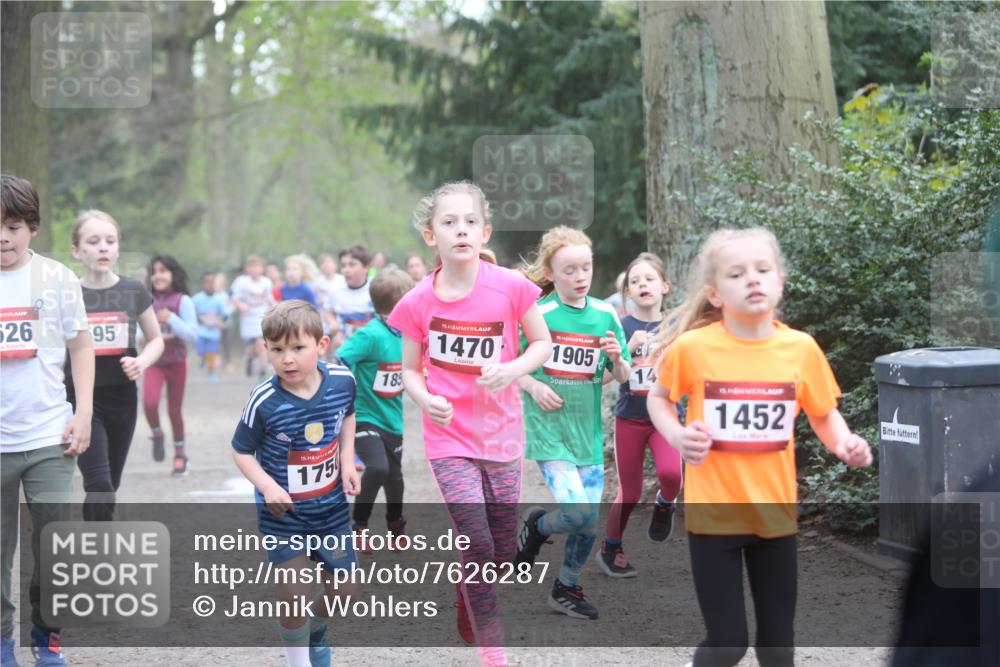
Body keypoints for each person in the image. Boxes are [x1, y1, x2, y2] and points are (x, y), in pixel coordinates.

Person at [646, 227, 872, 667]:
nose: (752, 279)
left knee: (777, 645)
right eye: (737, 273)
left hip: (775, 515)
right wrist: (676, 437)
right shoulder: (694, 348)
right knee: (729, 643)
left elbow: (822, 412)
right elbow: (659, 398)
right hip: (714, 518)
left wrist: (844, 442)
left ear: (779, 282)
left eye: (763, 269)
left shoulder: (800, 349)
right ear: (714, 294)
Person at [387, 181, 551, 667]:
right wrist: (425, 399)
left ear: (485, 232)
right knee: (475, 540)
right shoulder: (417, 302)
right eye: (448, 222)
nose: (461, 230)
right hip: (449, 437)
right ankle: (491, 650)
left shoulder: (512, 288)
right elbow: (410, 372)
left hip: (502, 437)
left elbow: (541, 345)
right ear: (429, 236)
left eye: (470, 222)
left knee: (499, 552)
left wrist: (514, 368)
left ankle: (466, 590)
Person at [231, 300, 361, 667]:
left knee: (345, 591)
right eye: (277, 350)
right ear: (266, 350)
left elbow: (348, 416)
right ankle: (298, 660)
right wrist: (268, 486)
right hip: (284, 514)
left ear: (321, 345)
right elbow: (240, 451)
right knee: (293, 592)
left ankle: (316, 628)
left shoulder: (341, 380)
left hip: (331, 509)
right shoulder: (264, 400)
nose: (287, 358)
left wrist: (347, 461)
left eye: (297, 348)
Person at [513, 226, 631, 620]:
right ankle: (539, 527)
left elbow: (621, 376)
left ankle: (565, 585)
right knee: (578, 513)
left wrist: (616, 359)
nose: (580, 277)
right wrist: (532, 386)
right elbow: (511, 366)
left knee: (586, 524)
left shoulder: (605, 314)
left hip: (587, 434)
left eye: (586, 268)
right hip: (550, 431)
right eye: (569, 270)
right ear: (550, 272)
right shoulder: (538, 315)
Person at [1, 174, 93, 667]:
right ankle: (1, 641)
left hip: (49, 435)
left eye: (13, 226)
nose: (3, 237)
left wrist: (83, 412)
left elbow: (81, 346)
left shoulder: (58, 278)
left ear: (31, 228)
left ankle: (47, 635)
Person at [67, 210, 165, 522]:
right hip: (82, 400)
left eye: (110, 240)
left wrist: (141, 361)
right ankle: (98, 554)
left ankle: (95, 534)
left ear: (119, 248)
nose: (103, 247)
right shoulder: (67, 293)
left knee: (111, 485)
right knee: (100, 485)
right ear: (77, 250)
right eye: (93, 241)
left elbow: (156, 339)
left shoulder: (133, 290)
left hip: (122, 398)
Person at [600, 252, 682, 578]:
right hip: (630, 418)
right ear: (627, 293)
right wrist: (626, 349)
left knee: (672, 476)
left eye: (649, 279)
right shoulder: (620, 327)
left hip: (666, 417)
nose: (642, 285)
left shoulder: (677, 325)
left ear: (664, 285)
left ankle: (665, 504)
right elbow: (605, 377)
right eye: (634, 281)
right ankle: (611, 547)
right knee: (630, 492)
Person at [335, 268, 413, 552]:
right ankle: (359, 526)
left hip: (393, 419)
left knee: (395, 480)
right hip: (365, 415)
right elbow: (341, 357)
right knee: (377, 468)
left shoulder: (409, 335)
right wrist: (347, 391)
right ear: (402, 304)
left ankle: (396, 523)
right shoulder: (370, 334)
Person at [143, 255, 198, 475]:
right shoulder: (146, 298)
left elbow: (193, 335)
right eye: (154, 271)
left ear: (173, 274)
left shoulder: (183, 300)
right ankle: (157, 434)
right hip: (154, 362)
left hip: (176, 362)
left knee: (174, 410)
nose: (158, 275)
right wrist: (149, 333)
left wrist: (172, 319)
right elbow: (139, 333)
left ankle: (180, 455)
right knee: (149, 403)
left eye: (163, 271)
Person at [231, 255, 274, 378]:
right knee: (251, 349)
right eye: (251, 267)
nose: (255, 269)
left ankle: (263, 371)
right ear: (247, 269)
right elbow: (234, 298)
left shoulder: (266, 282)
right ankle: (251, 359)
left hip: (262, 316)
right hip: (248, 318)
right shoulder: (241, 282)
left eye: (257, 267)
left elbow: (269, 299)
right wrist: (241, 306)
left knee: (261, 342)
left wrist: (275, 309)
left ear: (262, 268)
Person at [329, 245, 375, 345]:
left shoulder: (376, 289)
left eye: (352, 265)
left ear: (366, 268)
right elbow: (328, 311)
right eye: (343, 265)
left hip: (371, 349)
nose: (346, 270)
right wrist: (332, 323)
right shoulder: (335, 291)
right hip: (345, 349)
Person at [192, 271, 232, 382]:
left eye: (212, 282)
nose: (209, 285)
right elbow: (190, 310)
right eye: (207, 282)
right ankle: (203, 358)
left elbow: (226, 313)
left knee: (211, 354)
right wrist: (197, 320)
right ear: (203, 284)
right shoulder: (197, 298)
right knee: (201, 351)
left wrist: (220, 322)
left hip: (213, 332)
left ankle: (211, 373)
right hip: (200, 331)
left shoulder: (219, 299)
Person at [313, 253, 347, 337]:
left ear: (335, 265)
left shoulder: (342, 280)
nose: (326, 266)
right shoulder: (317, 281)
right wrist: (317, 301)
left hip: (338, 313)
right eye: (324, 263)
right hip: (322, 315)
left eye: (329, 263)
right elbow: (313, 296)